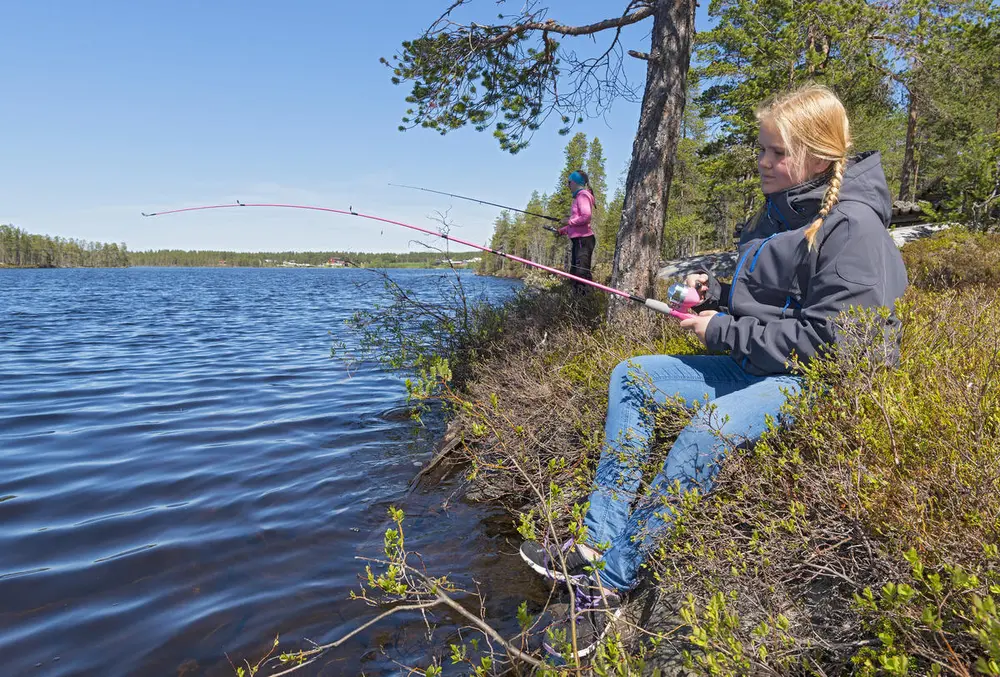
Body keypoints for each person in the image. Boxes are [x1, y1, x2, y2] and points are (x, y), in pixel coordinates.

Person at [519, 84, 909, 658]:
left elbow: (846, 346)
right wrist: (718, 295)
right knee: (633, 376)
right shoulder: (781, 213)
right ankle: (598, 542)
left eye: (777, 152)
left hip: (817, 381)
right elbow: (780, 300)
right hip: (761, 360)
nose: (763, 162)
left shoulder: (854, 228)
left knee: (709, 429)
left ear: (820, 156)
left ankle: (610, 584)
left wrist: (721, 331)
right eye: (762, 149)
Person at [558, 170, 597, 291]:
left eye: (569, 182)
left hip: (583, 240)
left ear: (575, 182)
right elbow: (578, 222)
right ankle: (576, 304)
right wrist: (563, 230)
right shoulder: (580, 196)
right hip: (579, 240)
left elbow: (586, 217)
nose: (568, 185)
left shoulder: (583, 195)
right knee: (574, 273)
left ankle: (584, 304)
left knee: (581, 274)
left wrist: (568, 222)